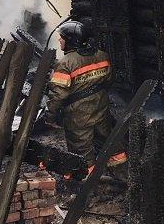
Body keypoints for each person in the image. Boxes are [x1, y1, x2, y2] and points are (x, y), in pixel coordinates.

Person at [45, 20, 126, 178]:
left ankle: (87, 178)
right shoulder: (102, 56)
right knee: (106, 138)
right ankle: (120, 167)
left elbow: (58, 95)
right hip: (101, 107)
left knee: (80, 147)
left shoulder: (65, 64)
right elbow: (108, 81)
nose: (59, 40)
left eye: (62, 37)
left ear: (71, 40)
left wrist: (51, 116)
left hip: (78, 115)